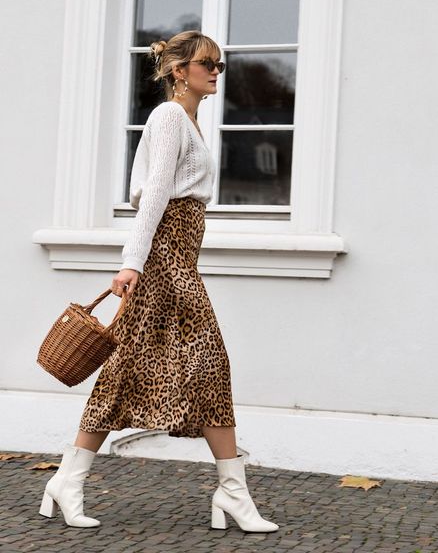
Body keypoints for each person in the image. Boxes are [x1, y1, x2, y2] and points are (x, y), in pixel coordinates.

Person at [38, 30, 279, 533]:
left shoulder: (188, 121)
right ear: (178, 71)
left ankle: (226, 493)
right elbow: (153, 199)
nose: (216, 71)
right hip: (163, 259)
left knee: (141, 367)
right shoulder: (170, 116)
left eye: (220, 65)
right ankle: (229, 494)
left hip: (179, 259)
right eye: (206, 64)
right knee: (201, 361)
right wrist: (133, 261)